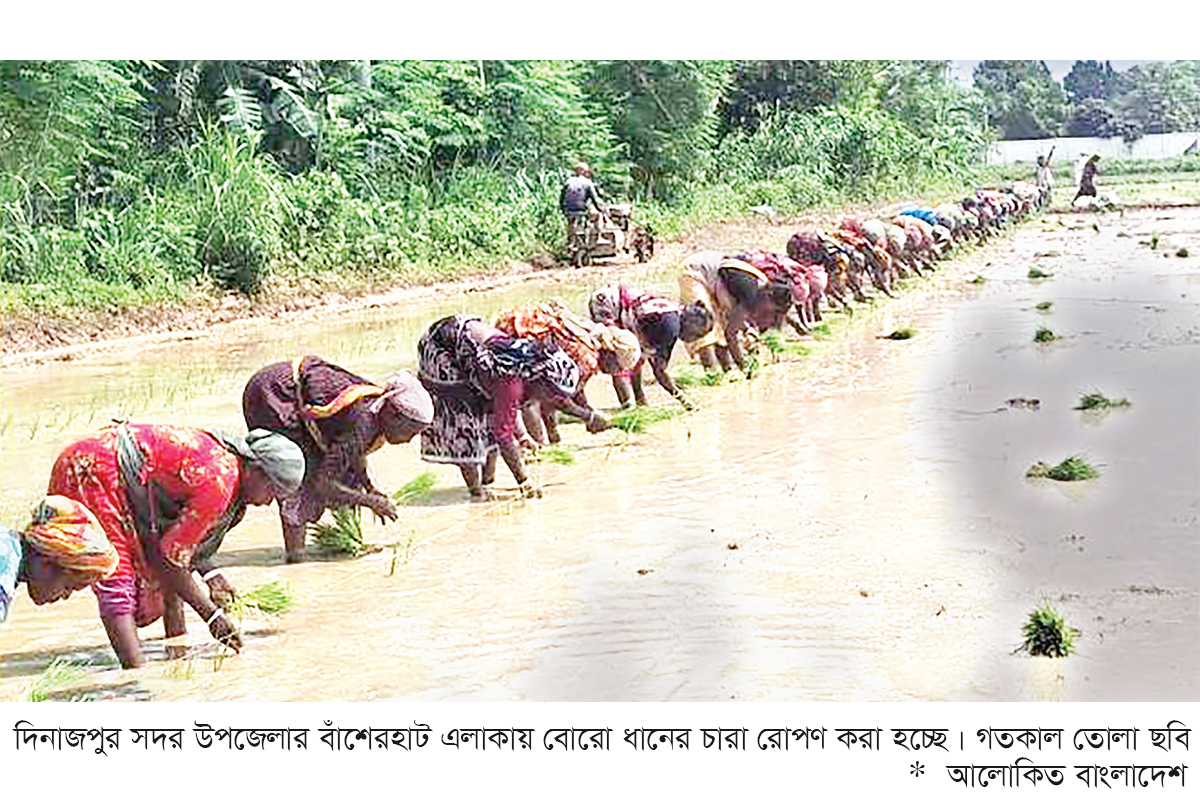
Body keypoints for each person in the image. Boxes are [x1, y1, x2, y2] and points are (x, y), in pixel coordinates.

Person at [43, 422, 305, 668]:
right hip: (95, 470)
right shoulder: (220, 484)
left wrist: (210, 576)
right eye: (272, 491)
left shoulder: (223, 465)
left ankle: (163, 661)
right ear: (254, 469)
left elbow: (177, 548)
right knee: (116, 576)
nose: (267, 503)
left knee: (144, 576)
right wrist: (212, 617)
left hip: (98, 462)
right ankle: (137, 679)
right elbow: (169, 560)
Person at [242, 356, 433, 563]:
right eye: (409, 432)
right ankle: (295, 557)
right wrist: (371, 502)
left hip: (290, 392)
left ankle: (346, 542)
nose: (408, 441)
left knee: (348, 476)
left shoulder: (376, 412)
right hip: (273, 395)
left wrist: (369, 487)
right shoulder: (364, 421)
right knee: (298, 475)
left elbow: (353, 452)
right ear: (393, 414)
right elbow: (324, 483)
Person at [418, 314, 603, 502]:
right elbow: (503, 433)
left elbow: (506, 410)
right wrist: (524, 481)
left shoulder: (527, 370)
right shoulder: (511, 382)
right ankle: (477, 493)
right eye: (552, 392)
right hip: (441, 349)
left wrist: (522, 437)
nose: (551, 398)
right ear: (541, 381)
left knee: (491, 418)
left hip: (468, 350)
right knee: (467, 423)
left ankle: (487, 483)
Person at [495, 300, 638, 442]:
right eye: (618, 367)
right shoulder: (587, 358)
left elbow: (573, 389)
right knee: (530, 399)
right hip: (516, 338)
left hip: (520, 328)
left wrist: (588, 410)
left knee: (541, 392)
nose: (616, 372)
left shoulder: (590, 342)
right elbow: (558, 398)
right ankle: (537, 445)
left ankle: (548, 438)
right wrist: (588, 416)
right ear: (610, 355)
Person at [588, 282, 714, 409]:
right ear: (691, 325)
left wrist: (680, 398)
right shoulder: (670, 328)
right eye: (696, 336)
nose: (692, 340)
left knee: (634, 358)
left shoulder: (674, 313)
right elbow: (658, 370)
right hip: (608, 305)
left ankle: (639, 401)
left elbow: (645, 361)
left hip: (613, 298)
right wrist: (682, 398)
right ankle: (628, 407)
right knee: (621, 355)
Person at [1, 499, 119, 626]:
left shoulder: (7, 542)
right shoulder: (4, 576)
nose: (65, 596)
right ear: (47, 563)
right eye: (68, 587)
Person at [560, 162, 607, 267]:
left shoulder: (568, 182)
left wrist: (563, 210)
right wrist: (602, 210)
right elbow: (595, 199)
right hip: (582, 210)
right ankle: (599, 237)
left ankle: (571, 241)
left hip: (570, 210)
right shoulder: (588, 183)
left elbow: (562, 198)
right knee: (598, 216)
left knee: (571, 224)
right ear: (584, 171)